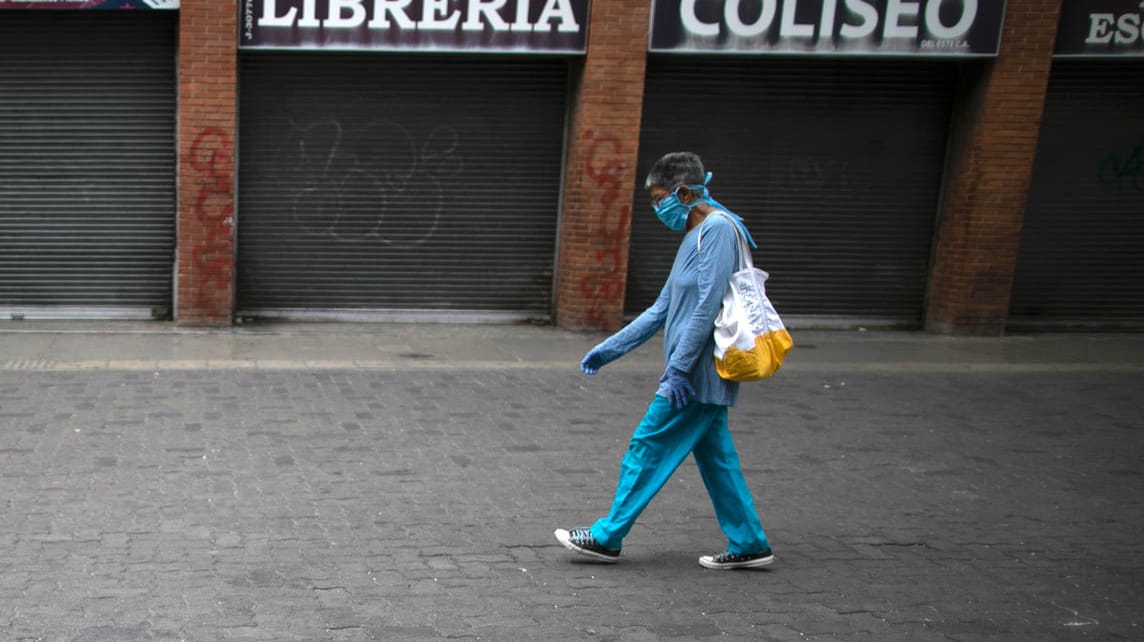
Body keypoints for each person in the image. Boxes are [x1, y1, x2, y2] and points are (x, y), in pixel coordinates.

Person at [554, 151, 773, 570]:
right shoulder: (694, 235)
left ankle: (606, 536)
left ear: (684, 192)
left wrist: (676, 370)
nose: (657, 208)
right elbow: (661, 308)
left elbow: (707, 305)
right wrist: (609, 349)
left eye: (659, 198)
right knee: (717, 460)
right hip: (692, 373)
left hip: (696, 375)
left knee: (648, 445)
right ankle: (749, 542)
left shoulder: (719, 231)